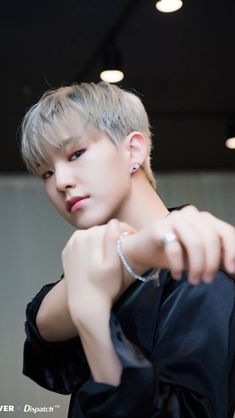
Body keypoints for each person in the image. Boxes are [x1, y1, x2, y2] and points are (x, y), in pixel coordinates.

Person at [21, 82, 235, 418]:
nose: (60, 181)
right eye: (46, 172)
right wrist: (135, 252)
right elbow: (42, 326)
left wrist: (94, 321)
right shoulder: (91, 263)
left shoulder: (201, 272)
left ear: (133, 151)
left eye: (76, 154)